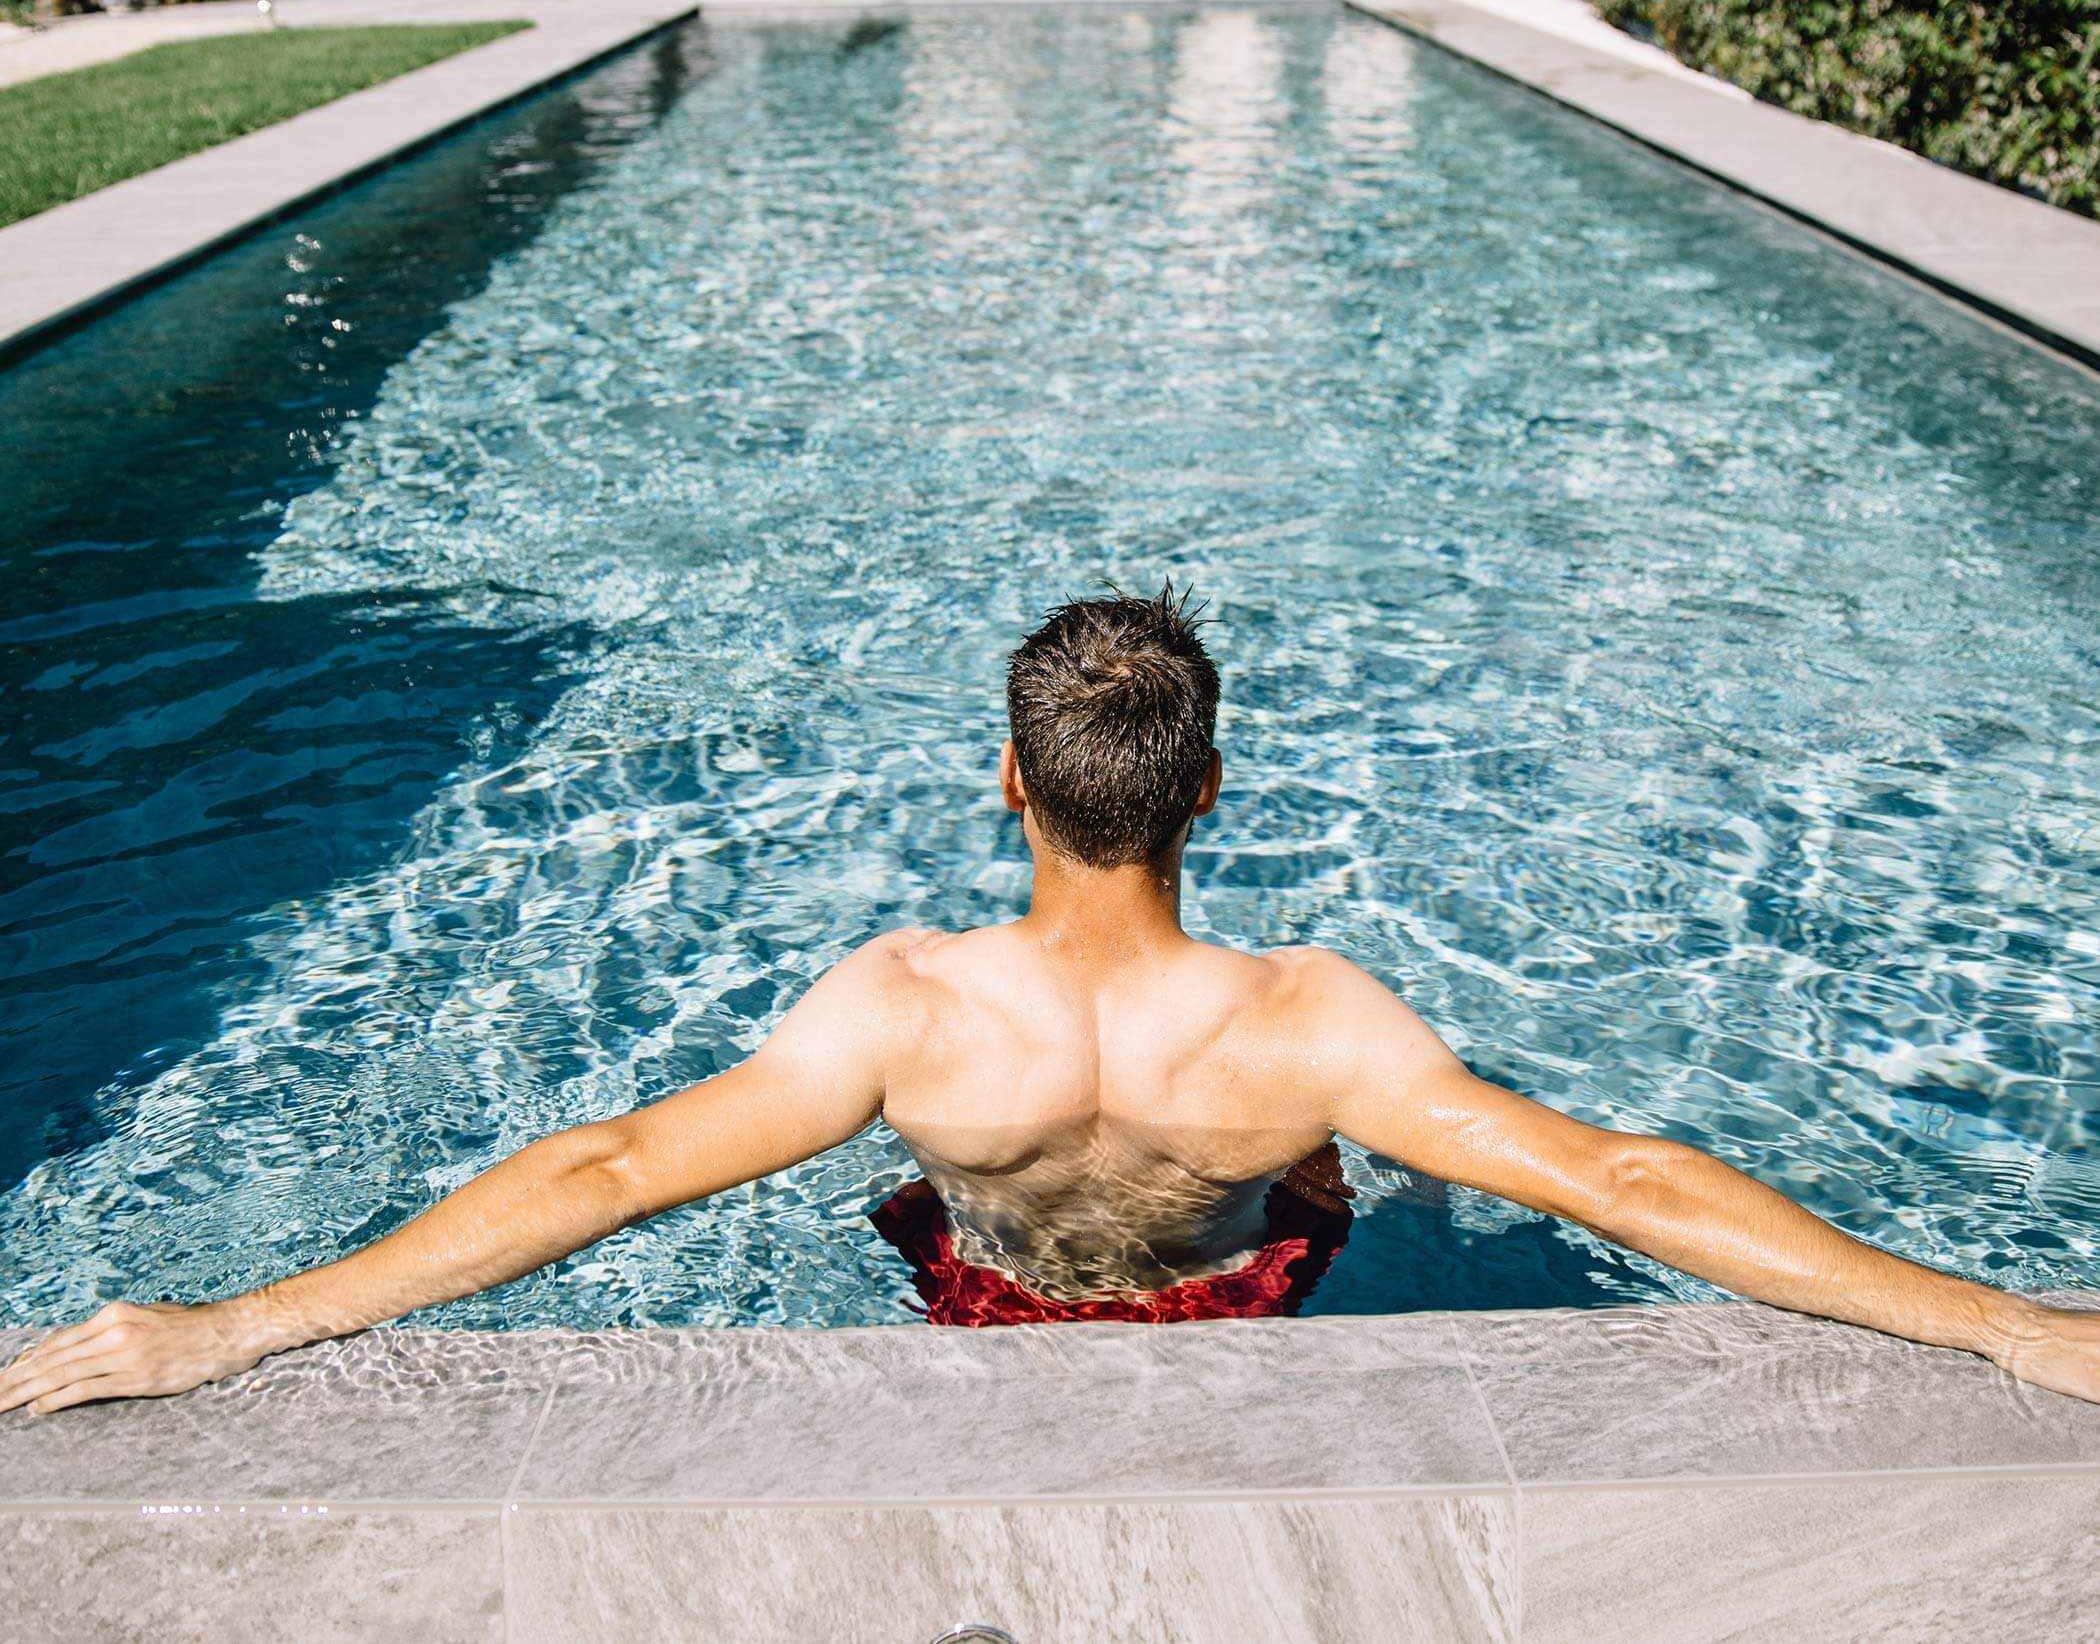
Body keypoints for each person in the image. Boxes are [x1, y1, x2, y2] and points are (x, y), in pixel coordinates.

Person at [3, 587, 2096, 1412]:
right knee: (1437, 1193)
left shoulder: (907, 1011)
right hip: (1244, 1292)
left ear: (1009, 779)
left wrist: (231, 1325)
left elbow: (614, 1165)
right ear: (1207, 789)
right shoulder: (1310, 1027)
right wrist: (2006, 1321)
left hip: (984, 1302)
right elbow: (1625, 1176)